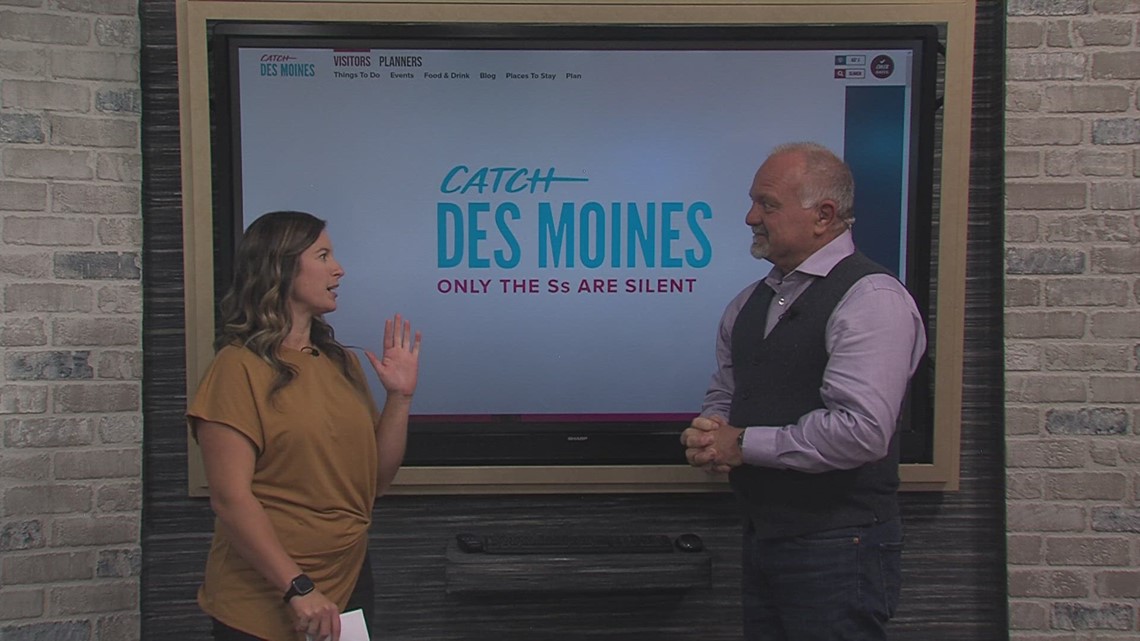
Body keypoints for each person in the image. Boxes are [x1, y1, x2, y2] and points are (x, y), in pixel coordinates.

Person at [680, 142, 926, 641]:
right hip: (765, 536)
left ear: (824, 216)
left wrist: (742, 444)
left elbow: (861, 431)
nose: (751, 217)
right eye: (753, 202)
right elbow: (727, 390)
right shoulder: (748, 303)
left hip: (841, 545)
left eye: (767, 204)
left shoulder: (871, 299)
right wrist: (711, 434)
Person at [187, 210, 421, 641]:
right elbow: (230, 498)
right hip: (269, 593)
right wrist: (297, 587)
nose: (339, 269)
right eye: (323, 256)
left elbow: (374, 483)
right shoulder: (236, 368)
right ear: (281, 266)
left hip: (347, 579)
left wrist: (400, 398)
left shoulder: (342, 363)